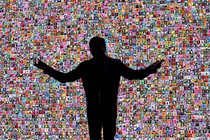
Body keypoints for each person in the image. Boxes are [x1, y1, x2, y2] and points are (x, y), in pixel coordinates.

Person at [34, 36, 164, 140]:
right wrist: (150, 69)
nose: (96, 50)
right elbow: (135, 75)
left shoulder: (89, 66)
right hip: (105, 110)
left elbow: (65, 78)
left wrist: (46, 68)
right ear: (104, 48)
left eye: (96, 48)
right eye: (95, 48)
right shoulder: (112, 64)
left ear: (93, 50)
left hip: (97, 110)